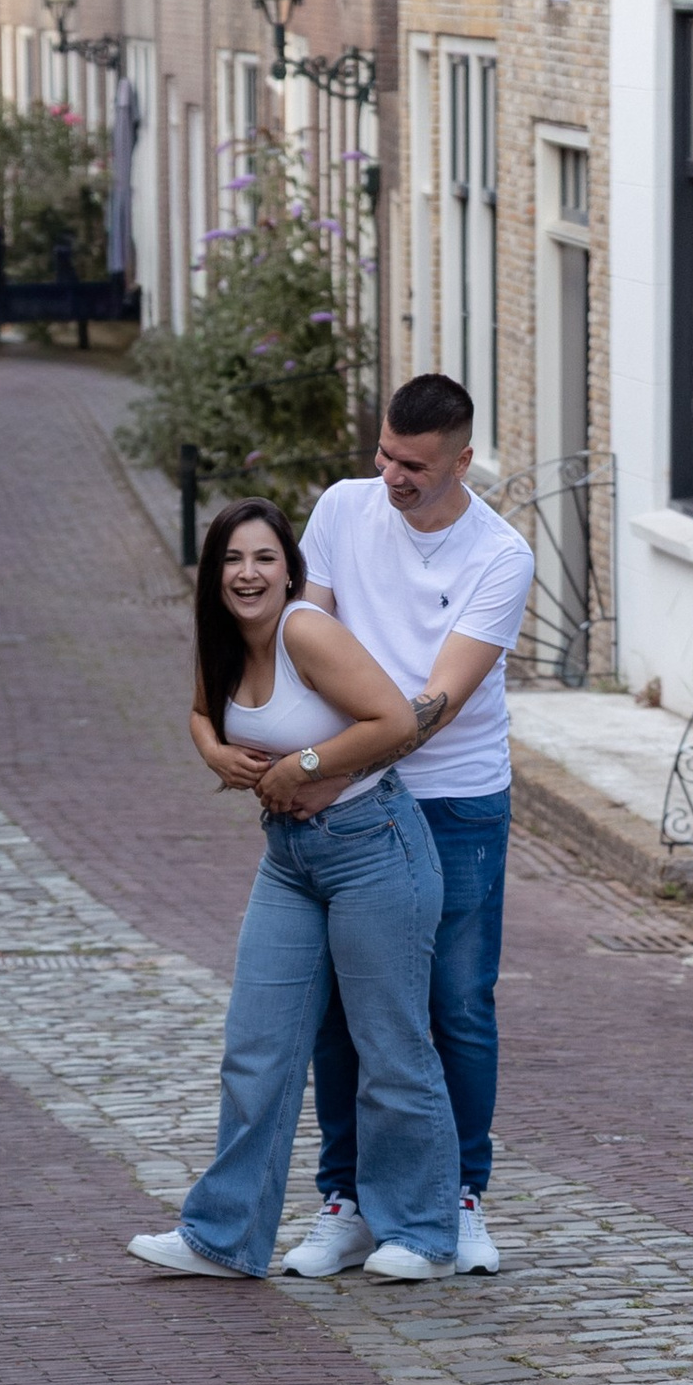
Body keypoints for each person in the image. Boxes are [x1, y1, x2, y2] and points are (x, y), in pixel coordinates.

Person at [129, 500, 462, 1282]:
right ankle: (223, 1237)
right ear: (213, 575)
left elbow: (395, 721)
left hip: (374, 847)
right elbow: (201, 713)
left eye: (264, 559)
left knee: (390, 1047)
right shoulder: (222, 640)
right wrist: (215, 752)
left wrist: (302, 767)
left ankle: (422, 1234)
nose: (248, 574)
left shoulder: (305, 631)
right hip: (289, 861)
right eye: (232, 561)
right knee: (256, 1048)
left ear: (290, 571)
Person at [280, 374, 536, 1279]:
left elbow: (441, 699)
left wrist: (326, 765)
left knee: (456, 1003)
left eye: (414, 467)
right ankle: (348, 1201)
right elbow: (305, 641)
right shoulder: (343, 510)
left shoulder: (500, 557)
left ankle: (458, 1198)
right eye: (384, 454)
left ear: (463, 461)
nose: (390, 476)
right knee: (345, 1008)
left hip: (453, 798)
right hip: (351, 796)